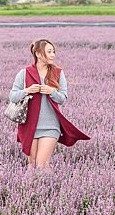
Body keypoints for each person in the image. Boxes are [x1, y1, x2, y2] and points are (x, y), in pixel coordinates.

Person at [8, 38, 90, 170]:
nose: (53, 55)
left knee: (42, 165)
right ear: (38, 54)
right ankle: (32, 190)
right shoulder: (24, 73)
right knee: (32, 165)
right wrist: (27, 91)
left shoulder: (58, 73)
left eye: (53, 51)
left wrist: (52, 91)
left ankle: (48, 189)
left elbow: (62, 99)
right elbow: (12, 96)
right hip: (29, 125)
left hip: (51, 126)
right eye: (49, 52)